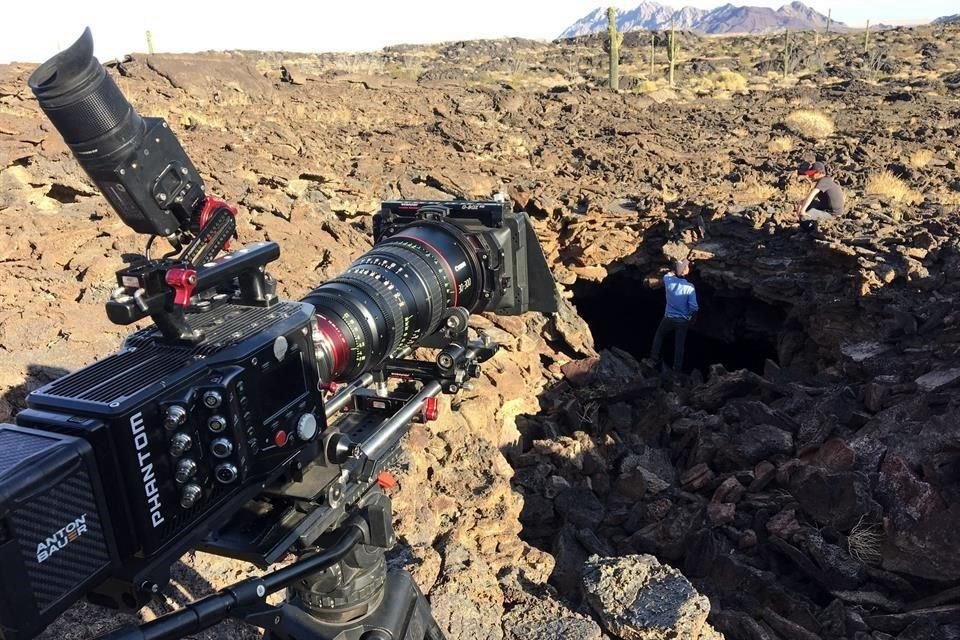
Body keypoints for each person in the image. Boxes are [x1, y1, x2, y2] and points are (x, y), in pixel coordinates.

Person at [650, 260, 699, 374]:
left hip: (668, 318)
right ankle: (676, 370)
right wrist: (693, 319)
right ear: (685, 271)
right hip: (682, 321)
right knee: (679, 345)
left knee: (659, 335)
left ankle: (653, 359)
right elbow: (694, 307)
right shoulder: (689, 287)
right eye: (687, 266)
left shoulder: (668, 280)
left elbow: (670, 272)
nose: (688, 267)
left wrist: (677, 268)